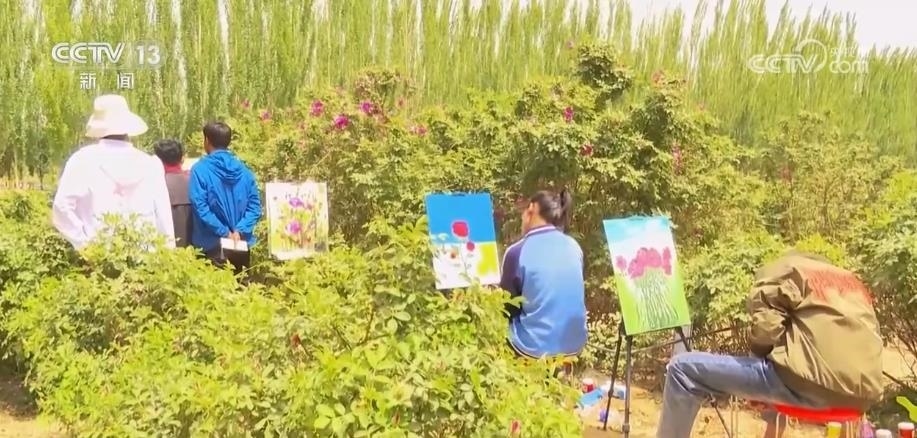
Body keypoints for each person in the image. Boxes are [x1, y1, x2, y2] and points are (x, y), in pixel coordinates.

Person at [656, 251, 884, 438]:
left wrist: (757, 385)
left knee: (681, 369)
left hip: (804, 385)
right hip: (862, 399)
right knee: (783, 366)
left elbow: (766, 328)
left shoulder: (787, 268)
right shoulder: (851, 282)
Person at [52, 94, 175, 250]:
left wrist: (84, 244)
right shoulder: (150, 164)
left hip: (101, 254)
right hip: (146, 254)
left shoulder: (82, 160)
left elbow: (61, 207)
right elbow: (163, 217)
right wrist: (168, 253)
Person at [499, 189, 588, 360]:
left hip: (534, 349)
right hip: (575, 344)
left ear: (531, 209)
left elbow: (507, 308)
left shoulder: (517, 252)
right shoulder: (574, 246)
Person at [189, 121, 262, 275]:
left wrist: (224, 232)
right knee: (240, 286)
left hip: (210, 246)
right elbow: (255, 208)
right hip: (240, 246)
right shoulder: (245, 172)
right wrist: (239, 231)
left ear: (207, 141)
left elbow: (200, 207)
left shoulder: (200, 170)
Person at [153, 139, 193, 248]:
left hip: (167, 248)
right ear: (181, 157)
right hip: (196, 249)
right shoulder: (194, 181)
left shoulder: (156, 185)